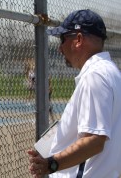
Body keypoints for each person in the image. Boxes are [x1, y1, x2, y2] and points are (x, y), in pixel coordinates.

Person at [27, 9, 121, 177]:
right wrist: (49, 146)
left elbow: (94, 141)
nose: (60, 48)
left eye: (63, 39)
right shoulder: (111, 72)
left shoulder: (94, 76)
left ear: (78, 39)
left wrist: (51, 164)